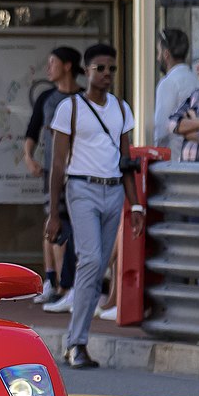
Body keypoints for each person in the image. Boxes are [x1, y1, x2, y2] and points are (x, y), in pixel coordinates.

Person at [45, 44, 144, 369]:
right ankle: (76, 344)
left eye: (111, 69)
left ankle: (76, 341)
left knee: (97, 266)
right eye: (100, 68)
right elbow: (58, 164)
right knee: (90, 260)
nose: (106, 74)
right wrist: (54, 213)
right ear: (86, 71)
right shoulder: (70, 107)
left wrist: (137, 207)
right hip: (81, 188)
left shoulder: (121, 108)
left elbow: (127, 159)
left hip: (114, 191)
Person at [23, 47, 83, 306]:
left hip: (80, 170)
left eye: (52, 63)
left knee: (68, 226)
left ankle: (63, 284)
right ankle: (54, 282)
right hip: (51, 171)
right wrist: (29, 157)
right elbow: (32, 131)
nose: (48, 68)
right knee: (53, 221)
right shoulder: (46, 97)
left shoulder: (83, 98)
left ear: (67, 66)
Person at [151, 28, 199, 161]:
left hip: (174, 158)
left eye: (158, 52)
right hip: (195, 156)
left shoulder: (168, 83)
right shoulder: (196, 80)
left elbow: (161, 127)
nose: (157, 57)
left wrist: (154, 154)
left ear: (166, 54)